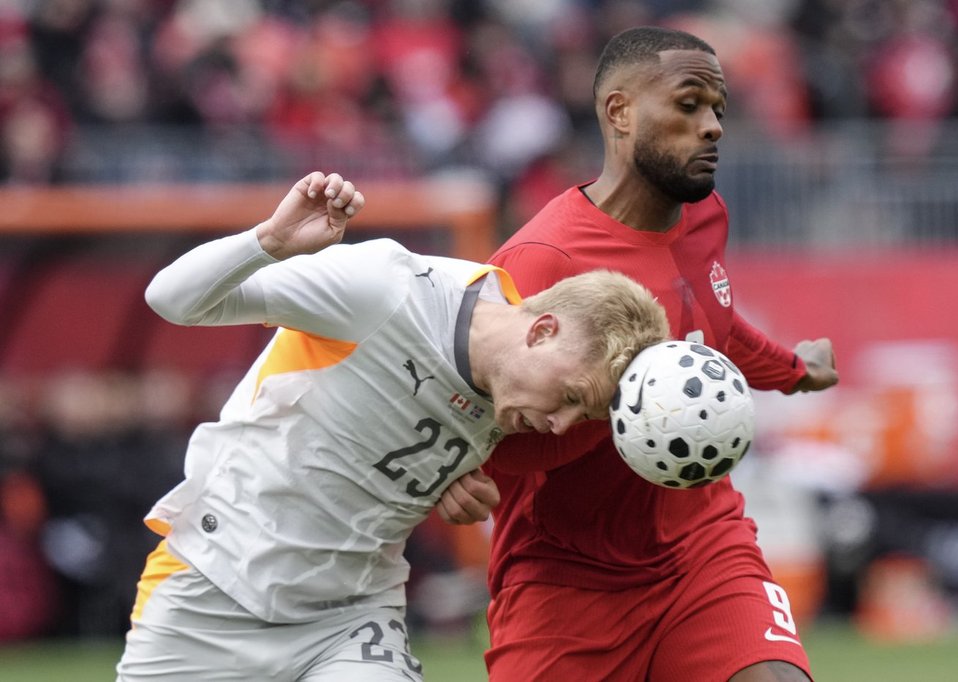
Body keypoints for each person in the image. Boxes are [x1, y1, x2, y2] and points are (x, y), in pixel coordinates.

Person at [115, 171, 670, 681]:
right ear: (542, 329)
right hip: (214, 586)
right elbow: (171, 299)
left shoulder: (518, 395)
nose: (559, 425)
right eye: (572, 398)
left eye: (582, 415)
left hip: (350, 621)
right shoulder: (386, 290)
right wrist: (270, 242)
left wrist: (448, 478)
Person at [438, 26, 840, 682]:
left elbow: (711, 325)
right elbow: (456, 399)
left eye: (718, 109)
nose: (711, 126)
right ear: (619, 112)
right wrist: (447, 470)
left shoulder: (706, 216)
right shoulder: (540, 263)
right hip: (566, 580)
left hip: (704, 546)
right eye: (688, 105)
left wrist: (794, 371)